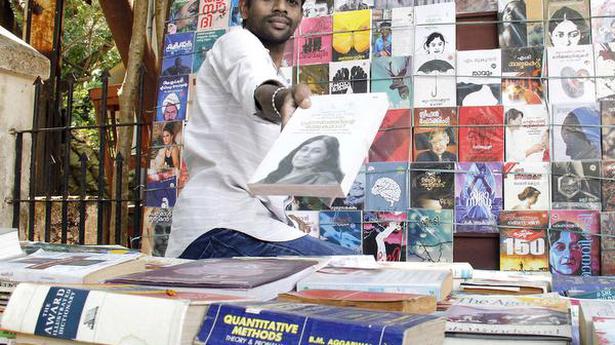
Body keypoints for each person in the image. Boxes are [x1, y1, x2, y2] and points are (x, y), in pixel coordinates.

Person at [166, 0, 356, 258]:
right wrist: (281, 99)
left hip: (247, 228)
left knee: (349, 274)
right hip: (220, 227)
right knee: (350, 270)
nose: (281, 7)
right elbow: (259, 89)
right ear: (244, 9)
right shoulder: (237, 42)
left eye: (292, 2)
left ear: (300, 16)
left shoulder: (277, 71)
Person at [259, 135, 344, 185]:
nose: (305, 154)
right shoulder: (278, 174)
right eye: (304, 149)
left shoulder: (324, 179)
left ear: (327, 157)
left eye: (316, 151)